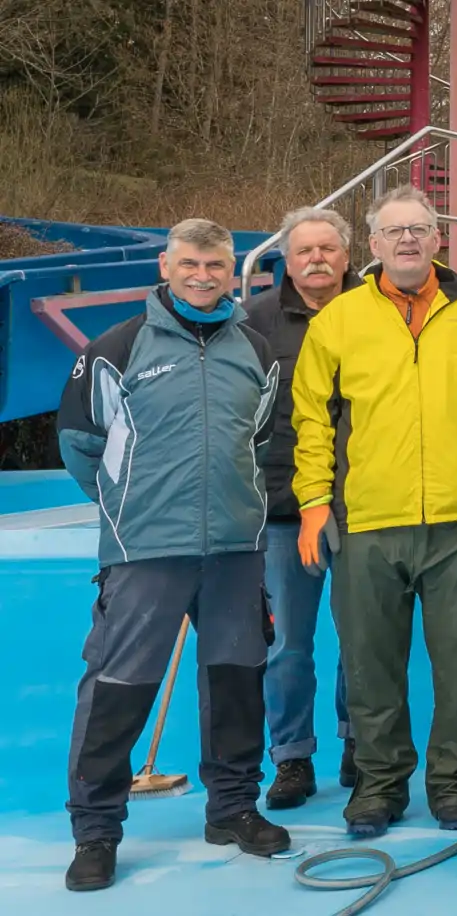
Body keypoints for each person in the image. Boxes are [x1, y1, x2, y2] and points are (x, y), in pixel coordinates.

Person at [291, 185, 457, 838]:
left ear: (437, 239)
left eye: (419, 229)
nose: (407, 239)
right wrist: (315, 504)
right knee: (371, 668)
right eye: (394, 231)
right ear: (371, 246)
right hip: (369, 524)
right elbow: (311, 421)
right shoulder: (338, 321)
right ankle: (378, 784)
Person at [57, 218, 286, 891]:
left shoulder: (256, 348)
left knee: (237, 683)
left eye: (215, 266)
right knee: (118, 690)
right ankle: (96, 832)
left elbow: (262, 441)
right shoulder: (115, 348)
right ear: (166, 264)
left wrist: (236, 506)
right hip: (146, 549)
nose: (202, 276)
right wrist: (130, 506)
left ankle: (234, 808)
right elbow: (78, 442)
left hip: (235, 550)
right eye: (190, 264)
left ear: (231, 269)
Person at [242, 207, 360, 809]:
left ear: (346, 254)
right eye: (303, 251)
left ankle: (358, 742)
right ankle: (291, 756)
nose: (316, 259)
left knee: (363, 637)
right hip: (285, 510)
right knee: (288, 641)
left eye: (326, 249)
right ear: (285, 261)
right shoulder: (254, 323)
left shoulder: (380, 312)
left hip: (367, 507)